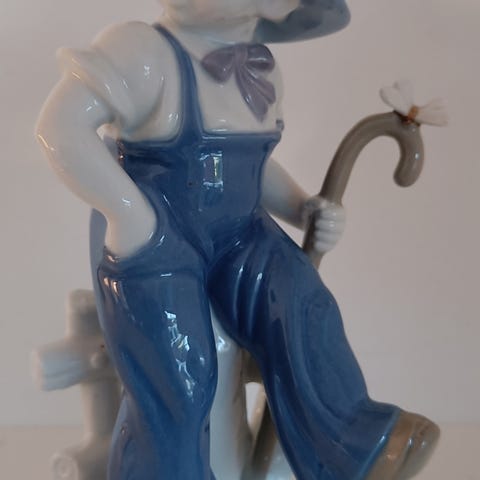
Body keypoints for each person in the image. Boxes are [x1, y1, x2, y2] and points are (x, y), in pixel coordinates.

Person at [36, 1, 439, 479]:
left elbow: (252, 166)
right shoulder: (141, 50)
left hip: (239, 233)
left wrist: (301, 207)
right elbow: (61, 128)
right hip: (155, 237)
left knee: (300, 301)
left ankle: (356, 445)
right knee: (179, 374)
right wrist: (129, 214)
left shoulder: (261, 72)